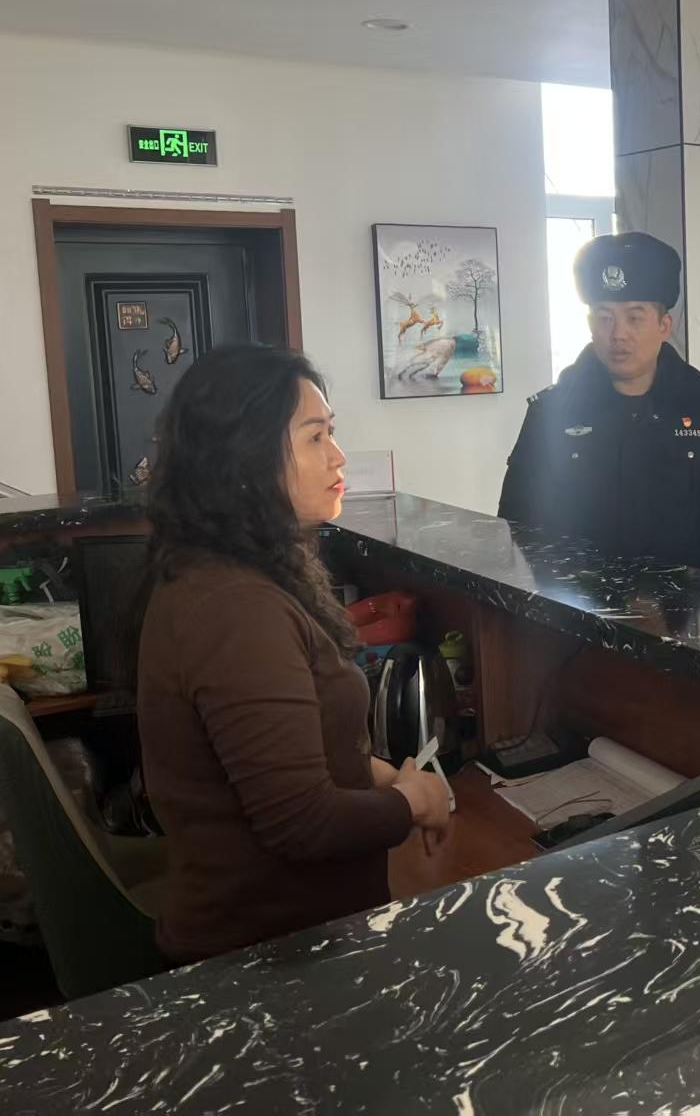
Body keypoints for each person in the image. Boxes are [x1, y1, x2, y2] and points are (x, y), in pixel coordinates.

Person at [135, 345, 452, 963]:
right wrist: (416, 801)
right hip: (269, 955)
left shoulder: (234, 571)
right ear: (247, 459)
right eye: (315, 437)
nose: (338, 456)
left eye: (331, 433)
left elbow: (296, 751)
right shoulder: (235, 609)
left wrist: (387, 776)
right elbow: (301, 824)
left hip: (297, 927)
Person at [499, 232, 700, 583]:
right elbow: (519, 527)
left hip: (689, 612)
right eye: (604, 317)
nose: (618, 334)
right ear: (590, 325)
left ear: (664, 326)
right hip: (579, 610)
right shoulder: (551, 414)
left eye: (635, 318)